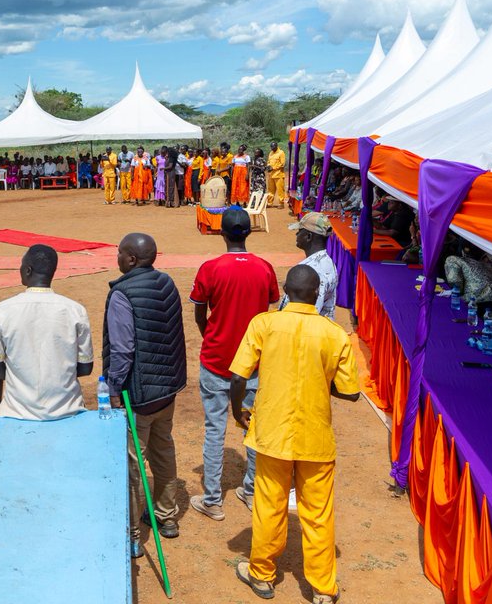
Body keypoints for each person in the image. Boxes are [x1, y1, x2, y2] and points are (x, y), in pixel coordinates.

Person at [229, 265, 360, 603]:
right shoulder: (335, 333)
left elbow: (239, 377)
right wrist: (320, 378)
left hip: (272, 432)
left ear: (286, 289)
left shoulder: (264, 324)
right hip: (316, 437)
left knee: (269, 504)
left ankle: (261, 575)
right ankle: (322, 589)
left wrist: (237, 410)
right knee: (317, 513)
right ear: (317, 294)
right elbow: (350, 392)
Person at [189, 206, 279, 520]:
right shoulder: (265, 268)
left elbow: (200, 311)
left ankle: (213, 499)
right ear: (249, 232)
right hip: (252, 363)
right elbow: (268, 309)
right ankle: (252, 491)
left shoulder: (210, 269)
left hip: (216, 359)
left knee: (215, 429)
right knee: (252, 428)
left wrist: (209, 333)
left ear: (222, 232)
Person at [103, 233, 188, 555]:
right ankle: (167, 517)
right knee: (163, 449)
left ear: (132, 260)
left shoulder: (122, 294)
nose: (118, 258)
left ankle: (133, 533)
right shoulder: (166, 282)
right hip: (167, 387)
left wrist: (113, 390)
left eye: (120, 253)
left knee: (133, 463)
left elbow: (123, 350)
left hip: (138, 394)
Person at [0, 244, 93, 420]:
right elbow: (85, 368)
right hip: (67, 409)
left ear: (27, 270)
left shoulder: (2, 310)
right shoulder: (75, 310)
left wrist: (24, 376)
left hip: (16, 411)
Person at [281, 213, 338, 319]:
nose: (296, 234)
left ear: (308, 237)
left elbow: (308, 315)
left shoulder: (312, 271)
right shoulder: (326, 261)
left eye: (300, 231)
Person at [266, 142, 287, 207]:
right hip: (271, 175)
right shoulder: (271, 153)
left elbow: (282, 164)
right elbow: (268, 162)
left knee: (280, 190)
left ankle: (281, 203)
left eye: (273, 147)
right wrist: (268, 166)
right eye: (271, 147)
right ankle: (270, 203)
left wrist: (274, 168)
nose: (272, 148)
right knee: (270, 190)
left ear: (276, 146)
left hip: (278, 174)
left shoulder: (281, 153)